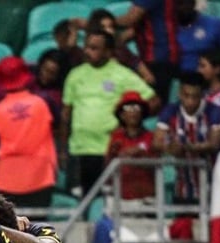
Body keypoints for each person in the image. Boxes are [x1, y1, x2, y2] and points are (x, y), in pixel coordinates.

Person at [61, 30, 158, 196]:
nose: (87, 51)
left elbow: (153, 100)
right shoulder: (75, 75)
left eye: (94, 48)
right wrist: (62, 150)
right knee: (80, 202)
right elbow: (65, 114)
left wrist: (130, 120)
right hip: (80, 149)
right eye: (87, 47)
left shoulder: (122, 74)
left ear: (108, 51)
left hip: (108, 150)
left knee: (107, 202)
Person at [0, 56, 57, 209]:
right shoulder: (41, 103)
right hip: (40, 175)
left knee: (12, 228)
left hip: (8, 177)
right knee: (39, 228)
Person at [155, 72, 220, 203]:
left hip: (212, 187)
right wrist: (170, 147)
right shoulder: (170, 111)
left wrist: (190, 147)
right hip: (182, 187)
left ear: (203, 95)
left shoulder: (214, 112)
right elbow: (157, 142)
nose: (190, 102)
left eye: (195, 97)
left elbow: (214, 143)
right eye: (186, 96)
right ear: (180, 93)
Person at [116, 0, 181, 105]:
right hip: (166, 55)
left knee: (153, 104)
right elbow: (139, 27)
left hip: (157, 58)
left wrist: (99, 22)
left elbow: (130, 19)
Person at [106, 90, 159, 200]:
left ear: (142, 112)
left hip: (147, 199)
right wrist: (114, 154)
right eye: (128, 108)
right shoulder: (115, 138)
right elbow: (107, 169)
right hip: (121, 199)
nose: (133, 112)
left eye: (136, 107)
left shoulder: (151, 137)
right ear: (122, 115)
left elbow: (157, 165)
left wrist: (139, 154)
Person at [175, 0, 220, 78]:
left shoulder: (215, 24)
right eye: (179, 3)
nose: (183, 7)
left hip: (209, 82)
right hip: (178, 80)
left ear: (193, 3)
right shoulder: (165, 29)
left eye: (187, 2)